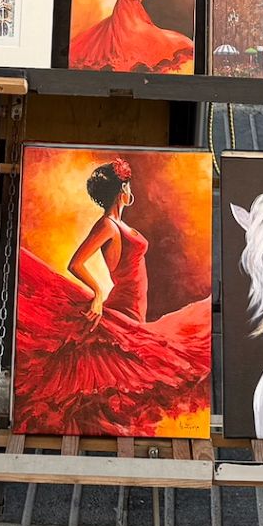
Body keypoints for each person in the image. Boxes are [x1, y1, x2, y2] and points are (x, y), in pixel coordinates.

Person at [11, 159, 211, 438]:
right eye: (128, 185)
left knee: (140, 369)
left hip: (134, 305)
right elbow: (76, 263)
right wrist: (97, 293)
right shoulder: (107, 225)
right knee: (136, 369)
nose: (132, 190)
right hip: (123, 304)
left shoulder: (117, 223)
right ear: (122, 190)